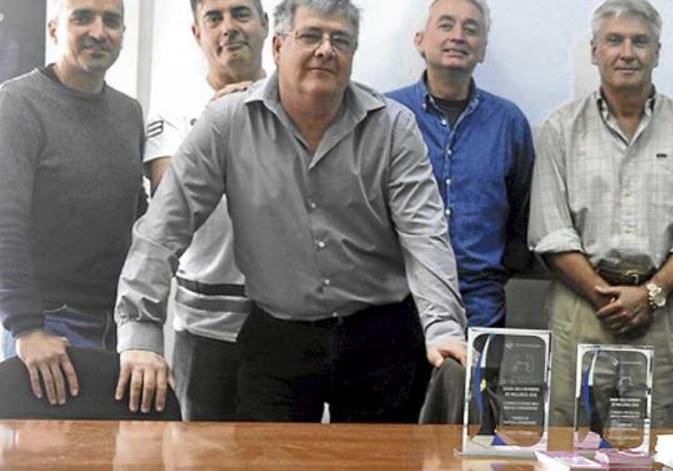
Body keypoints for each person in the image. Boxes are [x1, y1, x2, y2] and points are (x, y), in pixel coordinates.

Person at [115, 0, 468, 421]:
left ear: (353, 54)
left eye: (340, 40)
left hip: (381, 337)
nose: (325, 49)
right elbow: (164, 227)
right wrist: (140, 332)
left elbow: (424, 234)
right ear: (279, 47)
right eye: (311, 35)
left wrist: (443, 327)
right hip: (277, 337)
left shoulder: (393, 127)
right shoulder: (226, 123)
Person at [528, 0, 673, 428]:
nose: (627, 52)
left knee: (657, 444)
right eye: (614, 40)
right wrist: (605, 297)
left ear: (657, 52)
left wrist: (649, 296)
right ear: (595, 51)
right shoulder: (560, 128)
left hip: (663, 311)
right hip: (580, 307)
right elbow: (551, 233)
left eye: (640, 41)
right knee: (568, 442)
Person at [0, 0, 143, 408]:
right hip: (47, 328)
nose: (99, 31)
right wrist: (27, 330)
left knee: (105, 457)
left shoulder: (129, 112)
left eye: (111, 21)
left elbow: (135, 212)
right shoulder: (16, 103)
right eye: (82, 17)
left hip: (115, 324)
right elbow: (4, 223)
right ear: (53, 30)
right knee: (45, 462)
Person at [143, 0, 270, 422]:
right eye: (214, 18)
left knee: (279, 470)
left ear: (265, 25)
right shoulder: (174, 112)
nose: (229, 27)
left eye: (241, 14)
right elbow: (170, 200)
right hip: (203, 327)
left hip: (285, 323)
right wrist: (219, 117)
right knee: (196, 467)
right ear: (197, 33)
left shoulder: (302, 105)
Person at [387, 0, 534, 329]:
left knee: (478, 384)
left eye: (471, 29)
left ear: (482, 49)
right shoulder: (386, 114)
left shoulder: (508, 123)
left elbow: (523, 216)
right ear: (419, 41)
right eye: (446, 25)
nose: (458, 36)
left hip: (481, 308)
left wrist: (496, 272)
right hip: (396, 305)